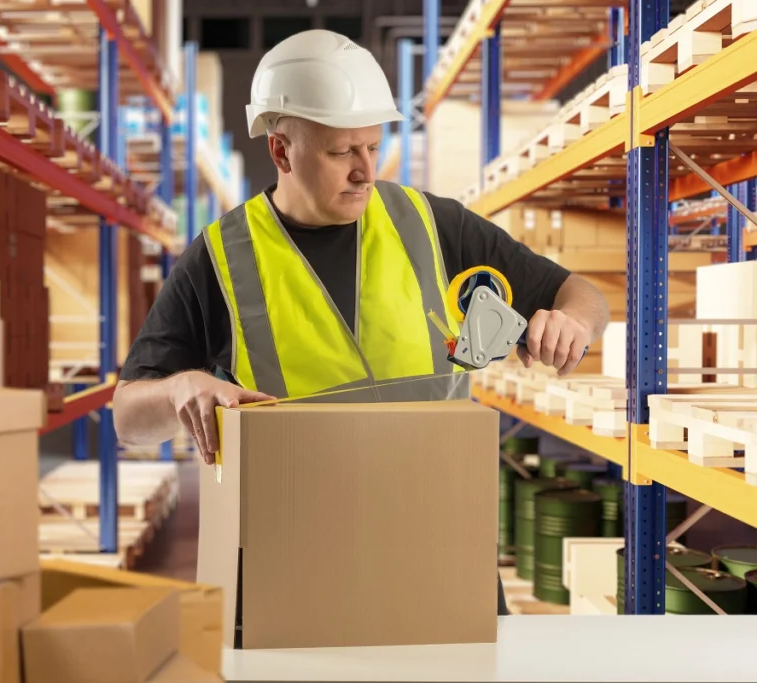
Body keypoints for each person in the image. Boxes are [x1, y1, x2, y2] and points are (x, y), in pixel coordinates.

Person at [112, 29, 610, 615]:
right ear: (281, 150)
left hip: (442, 553)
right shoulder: (220, 257)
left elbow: (581, 293)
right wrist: (178, 389)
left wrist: (573, 321)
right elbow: (127, 417)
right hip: (300, 570)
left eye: (373, 147)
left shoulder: (432, 225)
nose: (365, 171)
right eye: (342, 152)